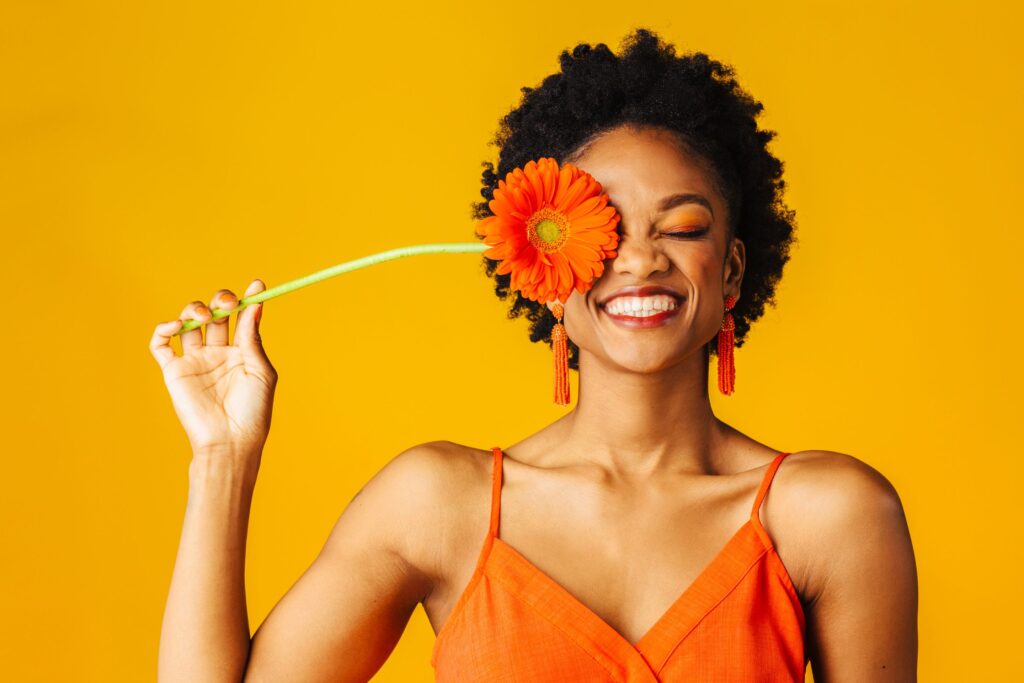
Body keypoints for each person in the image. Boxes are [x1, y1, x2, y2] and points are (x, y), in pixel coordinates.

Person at [151, 28, 917, 682]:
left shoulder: (830, 517)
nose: (639, 259)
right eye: (600, 232)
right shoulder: (437, 505)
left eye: (682, 227)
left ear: (733, 272)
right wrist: (222, 458)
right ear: (541, 272)